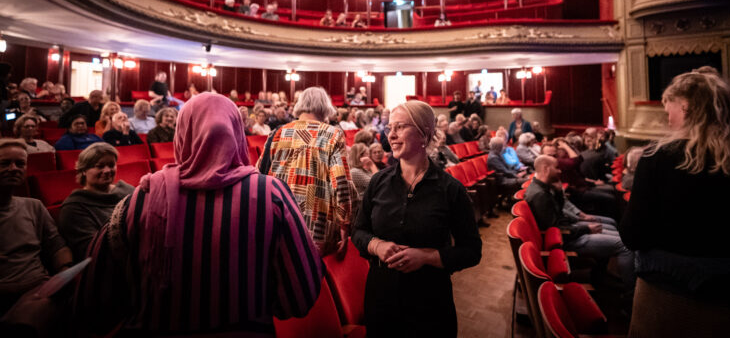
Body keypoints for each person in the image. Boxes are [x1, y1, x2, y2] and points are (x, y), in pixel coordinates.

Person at [75, 93, 324, 335]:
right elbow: (301, 295)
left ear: (182, 135)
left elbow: (92, 298)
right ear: (237, 134)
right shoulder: (271, 194)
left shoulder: (140, 198)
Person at [620, 68, 730, 337]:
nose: (669, 120)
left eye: (670, 112)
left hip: (670, 297)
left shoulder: (659, 158)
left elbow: (633, 235)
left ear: (686, 107)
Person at [352, 100, 482, 337]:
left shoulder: (450, 189)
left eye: (400, 127)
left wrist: (427, 256)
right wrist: (376, 245)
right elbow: (358, 231)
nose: (391, 135)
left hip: (429, 302)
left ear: (424, 133)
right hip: (381, 297)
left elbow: (472, 251)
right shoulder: (378, 183)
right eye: (390, 128)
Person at [259, 87, 354, 256]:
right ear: (325, 107)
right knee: (310, 275)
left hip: (278, 216)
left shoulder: (278, 133)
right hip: (315, 221)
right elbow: (340, 183)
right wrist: (344, 223)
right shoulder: (333, 135)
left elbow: (259, 174)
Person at [527, 154, 635, 289]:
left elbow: (558, 217)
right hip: (567, 239)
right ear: (546, 169)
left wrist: (559, 192)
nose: (560, 171)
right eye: (557, 168)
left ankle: (599, 276)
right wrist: (586, 229)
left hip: (569, 231)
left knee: (614, 232)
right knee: (624, 246)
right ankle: (630, 293)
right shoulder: (540, 194)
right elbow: (555, 230)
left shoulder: (544, 188)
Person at [0, 139, 73, 315]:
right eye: (4, 163)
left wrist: (65, 273)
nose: (13, 168)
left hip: (39, 288)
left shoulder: (34, 206)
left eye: (20, 164)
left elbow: (57, 247)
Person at [58, 143, 134, 260]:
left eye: (111, 165)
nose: (107, 170)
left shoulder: (128, 190)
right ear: (83, 170)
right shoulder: (74, 207)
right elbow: (93, 250)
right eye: (100, 166)